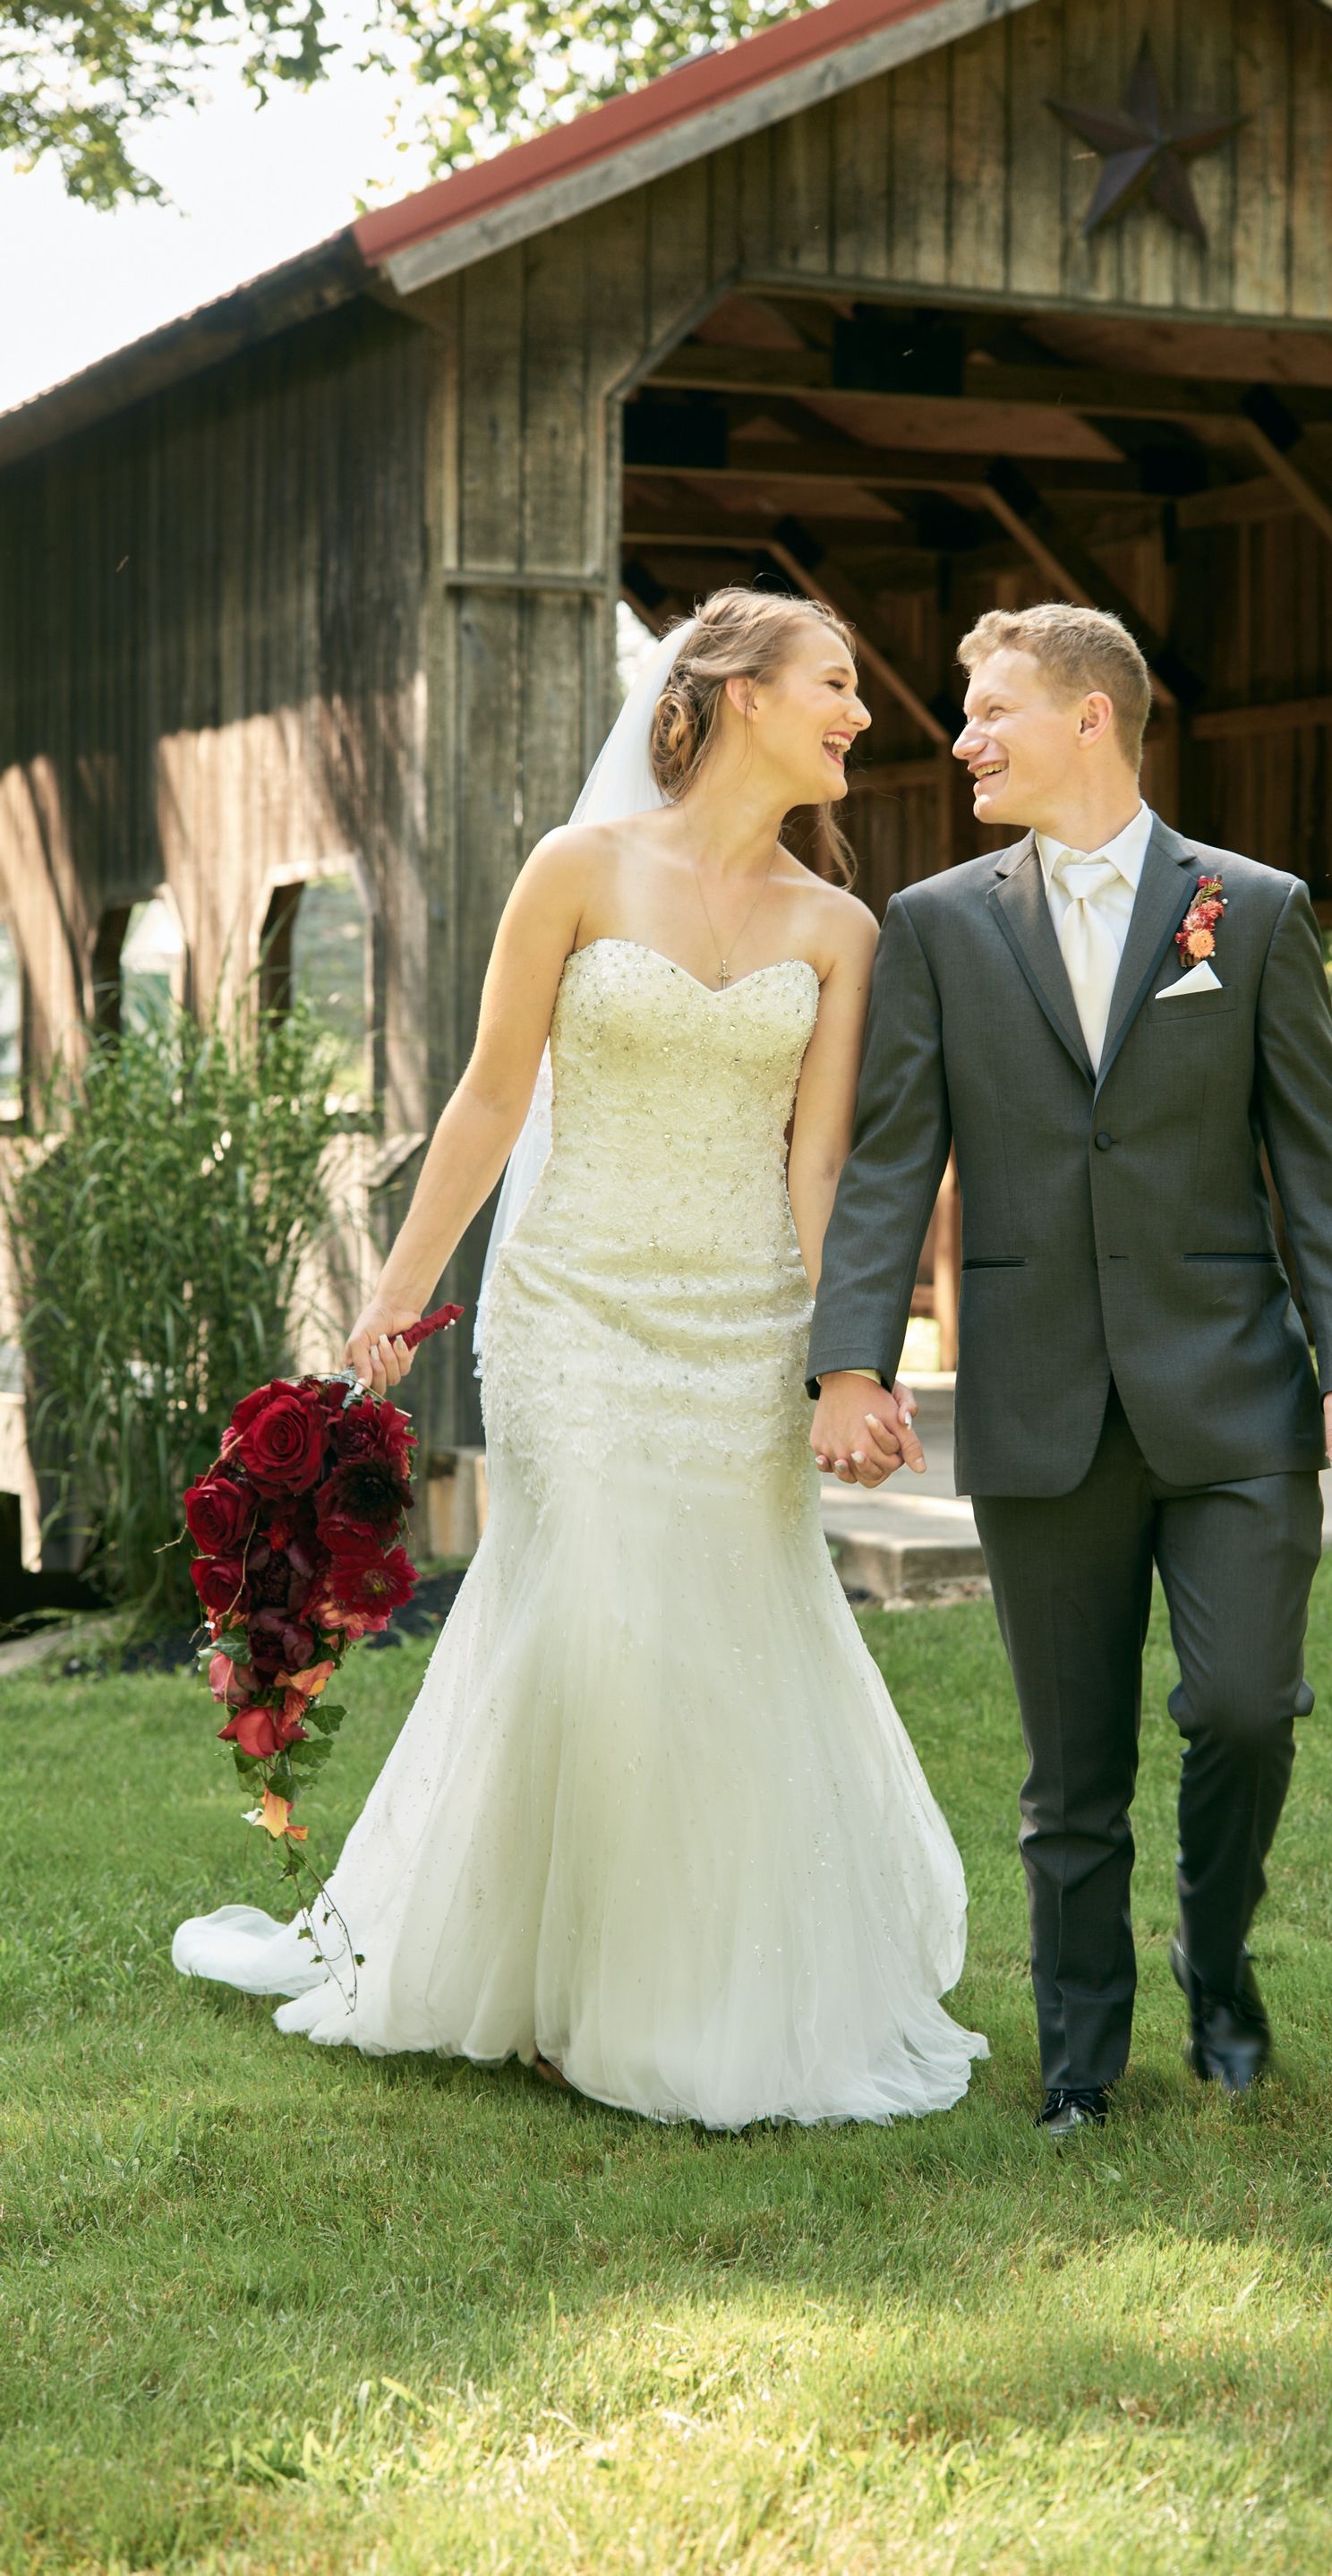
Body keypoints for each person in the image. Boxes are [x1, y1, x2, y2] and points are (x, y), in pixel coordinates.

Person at [173, 588, 987, 2130]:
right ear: (738, 692)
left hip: (742, 1323)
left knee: (720, 1638)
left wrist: (840, 1366)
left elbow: (822, 1168)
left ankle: (684, 1982)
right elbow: (487, 1104)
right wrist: (394, 1307)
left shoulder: (840, 928)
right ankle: (566, 1995)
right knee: (605, 1616)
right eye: (834, 683)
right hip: (575, 1316)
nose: (861, 714)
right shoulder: (576, 870)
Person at [807, 603, 1332, 2136]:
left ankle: (1218, 1962)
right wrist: (850, 1360)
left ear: (1091, 720)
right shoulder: (936, 924)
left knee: (1246, 1704)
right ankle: (1080, 2058)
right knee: (1070, 1774)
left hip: (1234, 1392)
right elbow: (891, 1161)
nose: (964, 739)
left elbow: (1320, 1160)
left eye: (992, 709)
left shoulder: (1251, 909)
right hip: (1038, 1395)